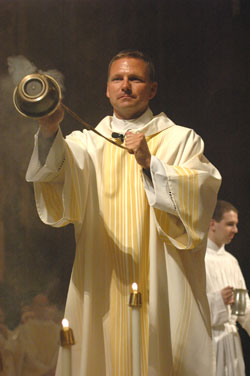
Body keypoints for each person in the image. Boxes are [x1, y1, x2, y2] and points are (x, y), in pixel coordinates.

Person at [25, 50, 221, 375]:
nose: (125, 86)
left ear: (153, 89)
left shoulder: (180, 140)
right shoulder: (86, 144)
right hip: (102, 279)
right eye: (118, 78)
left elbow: (201, 194)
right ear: (107, 88)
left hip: (162, 280)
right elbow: (54, 179)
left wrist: (150, 163)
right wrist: (48, 132)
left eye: (135, 79)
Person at [205, 200, 250, 376]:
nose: (235, 230)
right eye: (230, 224)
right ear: (212, 224)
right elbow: (190, 307)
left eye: (236, 225)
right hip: (209, 342)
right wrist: (218, 299)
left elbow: (243, 307)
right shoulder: (198, 260)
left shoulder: (231, 261)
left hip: (231, 342)